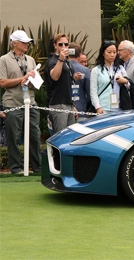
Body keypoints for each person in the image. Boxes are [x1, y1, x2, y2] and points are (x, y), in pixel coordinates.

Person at [0, 30, 42, 174]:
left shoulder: (30, 60)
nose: (26, 44)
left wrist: (32, 82)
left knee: (35, 136)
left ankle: (38, 168)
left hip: (30, 102)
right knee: (14, 137)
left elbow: (36, 83)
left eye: (27, 42)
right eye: (23, 42)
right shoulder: (4, 60)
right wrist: (22, 78)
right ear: (14, 43)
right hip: (13, 103)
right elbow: (3, 82)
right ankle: (16, 168)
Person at [46, 33, 84, 134]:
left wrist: (73, 105)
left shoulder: (67, 60)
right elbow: (54, 76)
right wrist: (61, 59)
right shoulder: (53, 60)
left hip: (69, 103)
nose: (64, 47)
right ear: (55, 45)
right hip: (58, 104)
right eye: (60, 44)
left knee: (70, 136)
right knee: (61, 136)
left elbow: (66, 81)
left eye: (66, 44)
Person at [90, 40, 130, 114]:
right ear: (103, 53)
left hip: (119, 107)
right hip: (103, 108)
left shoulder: (120, 68)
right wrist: (98, 107)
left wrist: (125, 81)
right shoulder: (96, 70)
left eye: (114, 52)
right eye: (109, 52)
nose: (112, 55)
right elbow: (93, 91)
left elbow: (129, 87)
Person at [117, 40, 134, 107]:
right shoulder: (123, 66)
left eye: (120, 50)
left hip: (133, 108)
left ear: (128, 51)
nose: (118, 52)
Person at [68, 42, 91, 122]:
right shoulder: (85, 70)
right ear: (80, 54)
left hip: (64, 110)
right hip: (81, 109)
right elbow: (89, 92)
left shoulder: (62, 67)